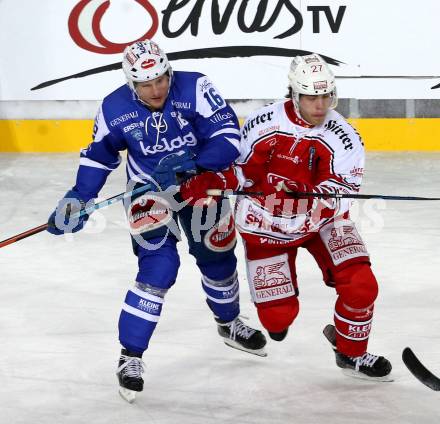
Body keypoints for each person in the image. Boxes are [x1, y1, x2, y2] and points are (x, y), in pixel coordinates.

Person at [46, 39, 266, 402]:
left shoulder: (196, 86)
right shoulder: (114, 107)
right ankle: (130, 356)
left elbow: (229, 137)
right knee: (159, 268)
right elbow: (100, 157)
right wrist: (79, 197)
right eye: (146, 84)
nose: (156, 89)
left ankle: (228, 323)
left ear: (169, 71)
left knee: (218, 259)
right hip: (147, 193)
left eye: (161, 79)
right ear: (132, 84)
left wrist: (197, 166)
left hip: (198, 185)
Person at [180, 53, 392, 380]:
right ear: (293, 93)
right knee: (278, 320)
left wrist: (304, 190)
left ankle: (352, 353)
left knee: (362, 285)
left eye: (326, 96)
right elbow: (240, 171)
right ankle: (279, 315)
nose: (320, 105)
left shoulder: (344, 135)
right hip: (265, 224)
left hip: (322, 221)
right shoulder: (263, 123)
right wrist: (213, 182)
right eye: (311, 96)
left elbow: (343, 187)